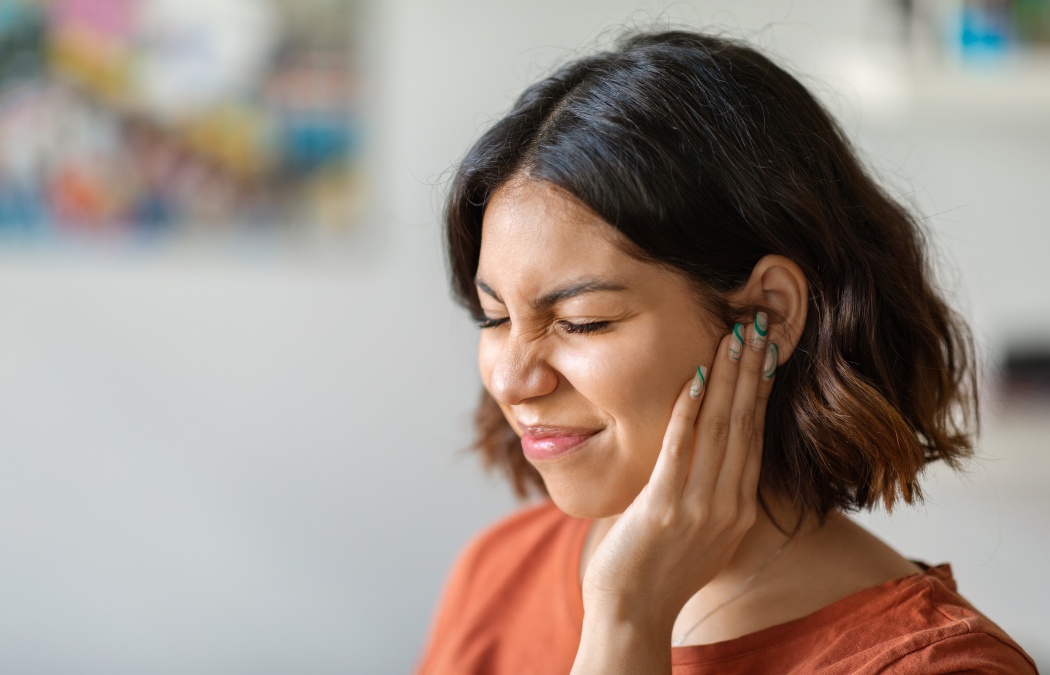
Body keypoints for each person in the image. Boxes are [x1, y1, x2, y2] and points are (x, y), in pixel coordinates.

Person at [417, 30, 1036, 674]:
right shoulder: (498, 570)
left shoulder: (933, 667)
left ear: (767, 313)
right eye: (494, 316)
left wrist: (629, 623)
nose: (513, 381)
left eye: (582, 322)